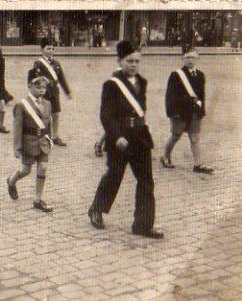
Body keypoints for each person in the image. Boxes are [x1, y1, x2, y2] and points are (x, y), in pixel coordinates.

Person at [88, 41, 163, 239]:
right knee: (114, 176)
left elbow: (141, 110)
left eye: (137, 61)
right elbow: (106, 115)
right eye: (129, 61)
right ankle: (96, 209)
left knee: (146, 181)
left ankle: (143, 225)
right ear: (119, 61)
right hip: (119, 139)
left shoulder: (143, 82)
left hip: (140, 138)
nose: (134, 65)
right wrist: (116, 136)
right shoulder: (111, 85)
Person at [160, 44, 214, 174]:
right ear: (183, 58)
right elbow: (170, 96)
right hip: (180, 112)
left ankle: (197, 164)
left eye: (193, 57)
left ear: (197, 58)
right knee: (175, 136)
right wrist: (173, 113)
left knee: (194, 138)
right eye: (188, 57)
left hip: (195, 112)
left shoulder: (200, 75)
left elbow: (201, 95)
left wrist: (202, 111)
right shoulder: (176, 75)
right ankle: (165, 156)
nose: (190, 60)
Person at [6, 68, 54, 213]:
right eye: (37, 86)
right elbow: (17, 127)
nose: (41, 90)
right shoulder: (22, 105)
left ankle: (37, 200)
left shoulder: (47, 104)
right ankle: (11, 181)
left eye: (44, 87)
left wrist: (50, 139)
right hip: (28, 142)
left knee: (43, 167)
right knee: (25, 170)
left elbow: (48, 124)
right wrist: (17, 147)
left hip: (43, 142)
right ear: (29, 86)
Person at [33, 37, 73, 146]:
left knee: (55, 114)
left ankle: (55, 136)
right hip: (44, 93)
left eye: (52, 48)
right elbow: (36, 79)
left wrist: (67, 92)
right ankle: (43, 136)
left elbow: (61, 78)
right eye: (48, 48)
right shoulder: (38, 63)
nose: (50, 51)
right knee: (45, 115)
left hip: (55, 93)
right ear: (42, 50)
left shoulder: (56, 63)